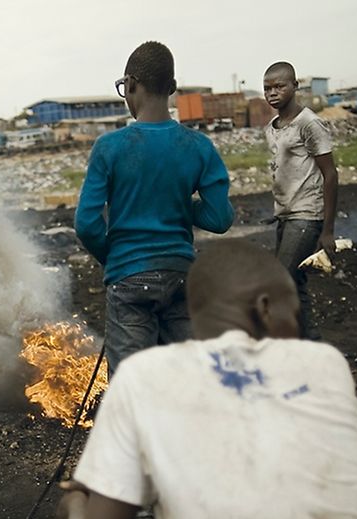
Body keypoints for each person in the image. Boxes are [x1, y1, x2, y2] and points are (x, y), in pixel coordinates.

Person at [0, 240, 357, 519]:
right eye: (295, 313)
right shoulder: (327, 366)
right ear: (266, 308)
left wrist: (75, 510)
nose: (297, 326)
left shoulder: (144, 376)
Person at [74, 41, 234, 374]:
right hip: (181, 276)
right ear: (172, 88)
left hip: (129, 281)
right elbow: (220, 219)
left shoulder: (110, 147)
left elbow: (87, 225)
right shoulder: (199, 146)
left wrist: (117, 259)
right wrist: (179, 204)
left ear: (130, 84)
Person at [263, 61, 339, 340]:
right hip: (285, 216)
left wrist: (328, 231)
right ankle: (311, 349)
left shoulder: (309, 123)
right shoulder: (272, 127)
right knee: (296, 284)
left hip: (307, 216)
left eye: (279, 86)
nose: (272, 93)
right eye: (267, 88)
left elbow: (330, 175)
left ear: (294, 87)